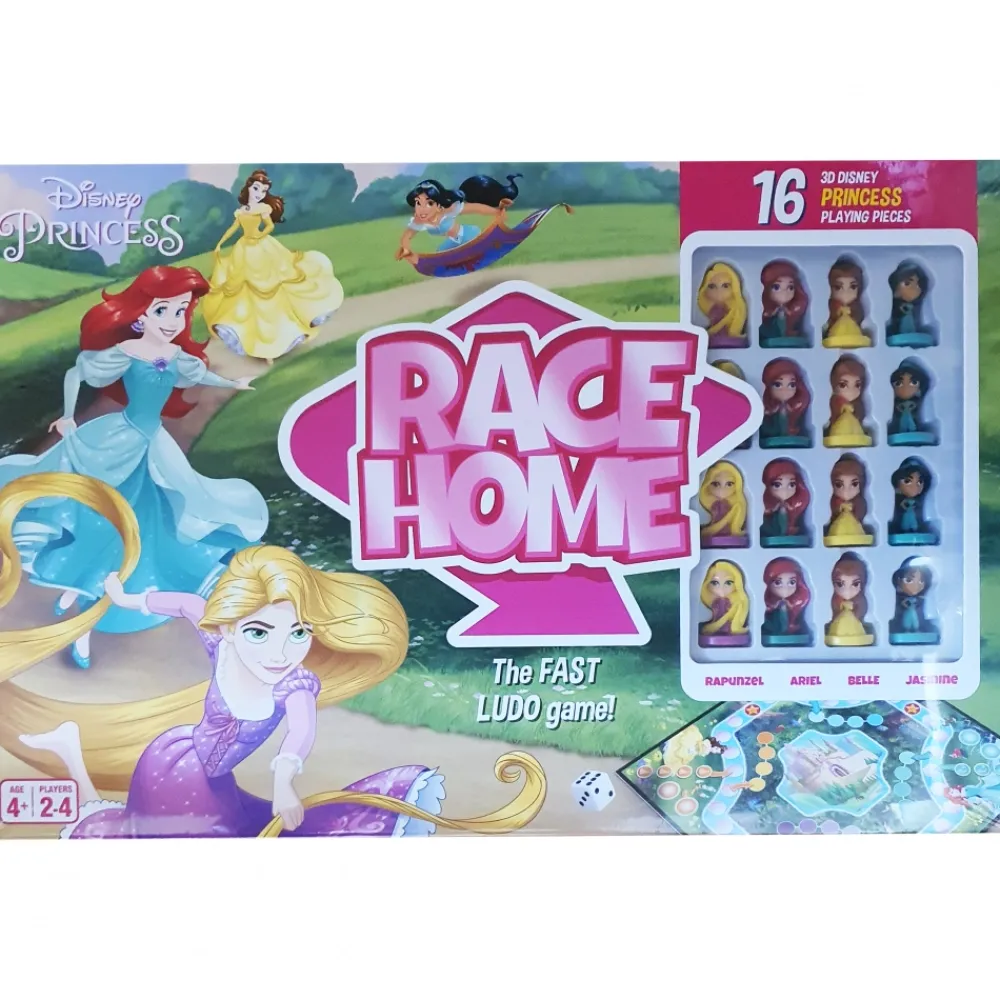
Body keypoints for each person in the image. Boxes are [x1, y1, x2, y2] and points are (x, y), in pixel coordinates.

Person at [0, 478, 545, 838]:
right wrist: (127, 600)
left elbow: (298, 737)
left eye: (299, 632)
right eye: (260, 632)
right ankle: (71, 754)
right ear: (231, 626)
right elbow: (187, 603)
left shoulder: (295, 685)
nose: (282, 651)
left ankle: (70, 753)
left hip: (208, 783)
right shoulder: (221, 642)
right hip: (173, 764)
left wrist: (285, 782)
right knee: (148, 840)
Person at [0, 268, 267, 668]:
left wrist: (234, 384)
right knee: (105, 525)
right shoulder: (126, 352)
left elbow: (200, 374)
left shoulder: (175, 356)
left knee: (146, 527)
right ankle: (82, 616)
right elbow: (78, 372)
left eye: (180, 311)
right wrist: (68, 416)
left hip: (151, 448)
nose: (173, 320)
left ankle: (78, 592)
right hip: (117, 443)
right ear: (142, 315)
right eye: (164, 310)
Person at [203, 169, 344, 361]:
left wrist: (259, 236)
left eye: (263, 190)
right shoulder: (242, 211)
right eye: (256, 188)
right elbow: (233, 228)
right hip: (244, 249)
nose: (259, 193)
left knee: (274, 286)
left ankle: (283, 331)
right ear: (249, 188)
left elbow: (269, 226)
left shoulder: (262, 209)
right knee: (244, 290)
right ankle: (250, 335)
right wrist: (220, 243)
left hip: (262, 248)